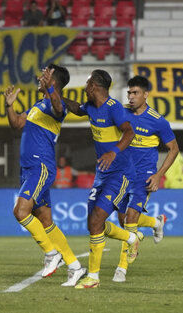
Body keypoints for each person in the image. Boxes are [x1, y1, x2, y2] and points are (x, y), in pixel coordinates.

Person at [47, 69, 142, 289]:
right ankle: (130, 238)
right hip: (103, 173)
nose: (84, 87)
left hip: (121, 172)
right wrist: (52, 91)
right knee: (93, 224)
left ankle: (94, 277)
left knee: (97, 219)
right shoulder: (90, 107)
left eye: (87, 83)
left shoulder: (114, 108)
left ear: (93, 87)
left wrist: (113, 152)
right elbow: (74, 108)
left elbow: (129, 133)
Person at [4, 64, 87, 287]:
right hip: (28, 168)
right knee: (46, 221)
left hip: (40, 167)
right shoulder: (38, 106)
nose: (40, 77)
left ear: (54, 81)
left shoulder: (54, 104)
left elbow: (59, 108)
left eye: (45, 75)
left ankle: (51, 254)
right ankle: (75, 266)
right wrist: (9, 107)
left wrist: (51, 88)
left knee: (20, 211)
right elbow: (16, 124)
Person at [113, 75, 180, 283]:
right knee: (123, 220)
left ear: (145, 94)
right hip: (123, 174)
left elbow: (174, 149)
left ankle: (121, 268)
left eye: (135, 93)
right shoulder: (121, 112)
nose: (131, 97)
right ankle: (155, 222)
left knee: (131, 218)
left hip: (144, 176)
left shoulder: (158, 121)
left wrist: (159, 175)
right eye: (129, 93)